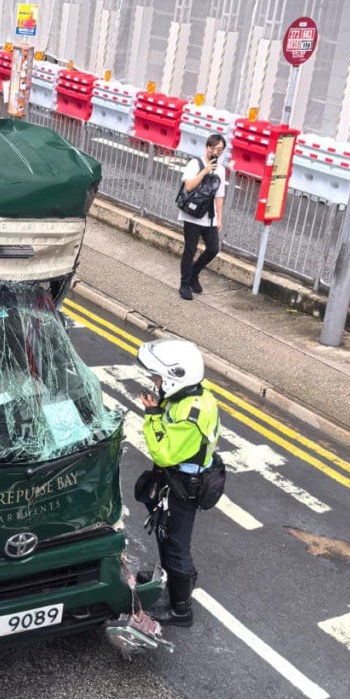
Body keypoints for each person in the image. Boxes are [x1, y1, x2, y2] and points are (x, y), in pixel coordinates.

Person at [106, 338, 220, 654]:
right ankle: (175, 581)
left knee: (175, 543)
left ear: (174, 377)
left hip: (183, 484)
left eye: (158, 377)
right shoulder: (193, 396)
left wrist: (152, 414)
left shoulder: (190, 413)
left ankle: (181, 609)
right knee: (166, 533)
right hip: (179, 479)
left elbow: (163, 450)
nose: (155, 382)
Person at [178, 133, 227, 300]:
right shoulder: (195, 163)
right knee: (190, 250)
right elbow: (189, 186)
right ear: (207, 147)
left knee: (213, 248)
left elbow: (219, 195)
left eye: (219, 150)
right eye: (213, 148)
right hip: (192, 215)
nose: (215, 152)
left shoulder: (221, 170)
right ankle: (184, 284)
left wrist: (220, 218)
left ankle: (194, 273)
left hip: (210, 217)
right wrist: (205, 171)